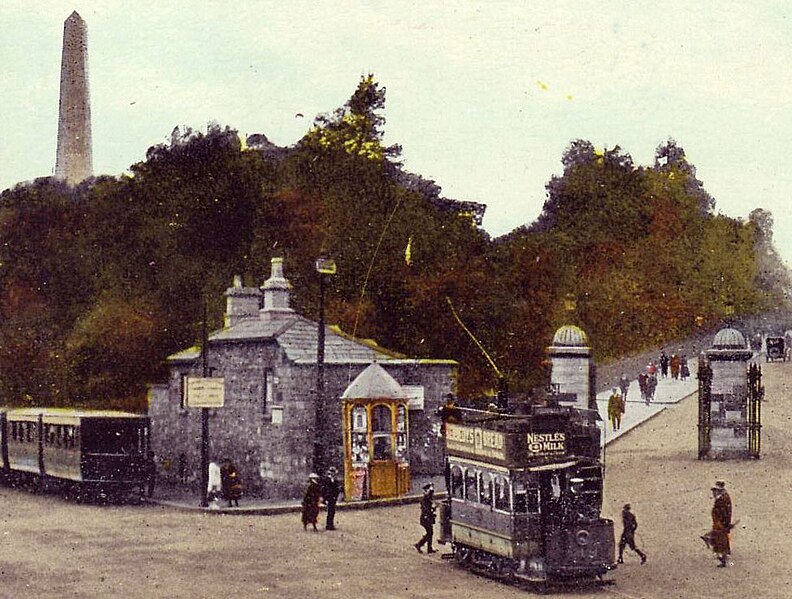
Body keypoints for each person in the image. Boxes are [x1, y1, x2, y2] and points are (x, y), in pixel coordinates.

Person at [703, 480, 733, 567]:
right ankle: (723, 555)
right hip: (720, 523)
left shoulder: (722, 499)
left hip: (720, 523)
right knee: (721, 540)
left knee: (721, 541)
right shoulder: (724, 497)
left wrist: (723, 523)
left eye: (714, 491)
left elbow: (724, 512)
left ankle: (722, 559)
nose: (713, 493)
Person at [414, 482, 437, 553]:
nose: (432, 494)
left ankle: (428, 547)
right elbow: (425, 509)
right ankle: (420, 544)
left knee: (430, 533)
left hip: (427, 518)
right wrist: (431, 512)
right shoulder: (424, 499)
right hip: (425, 518)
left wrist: (433, 509)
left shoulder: (428, 499)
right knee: (430, 533)